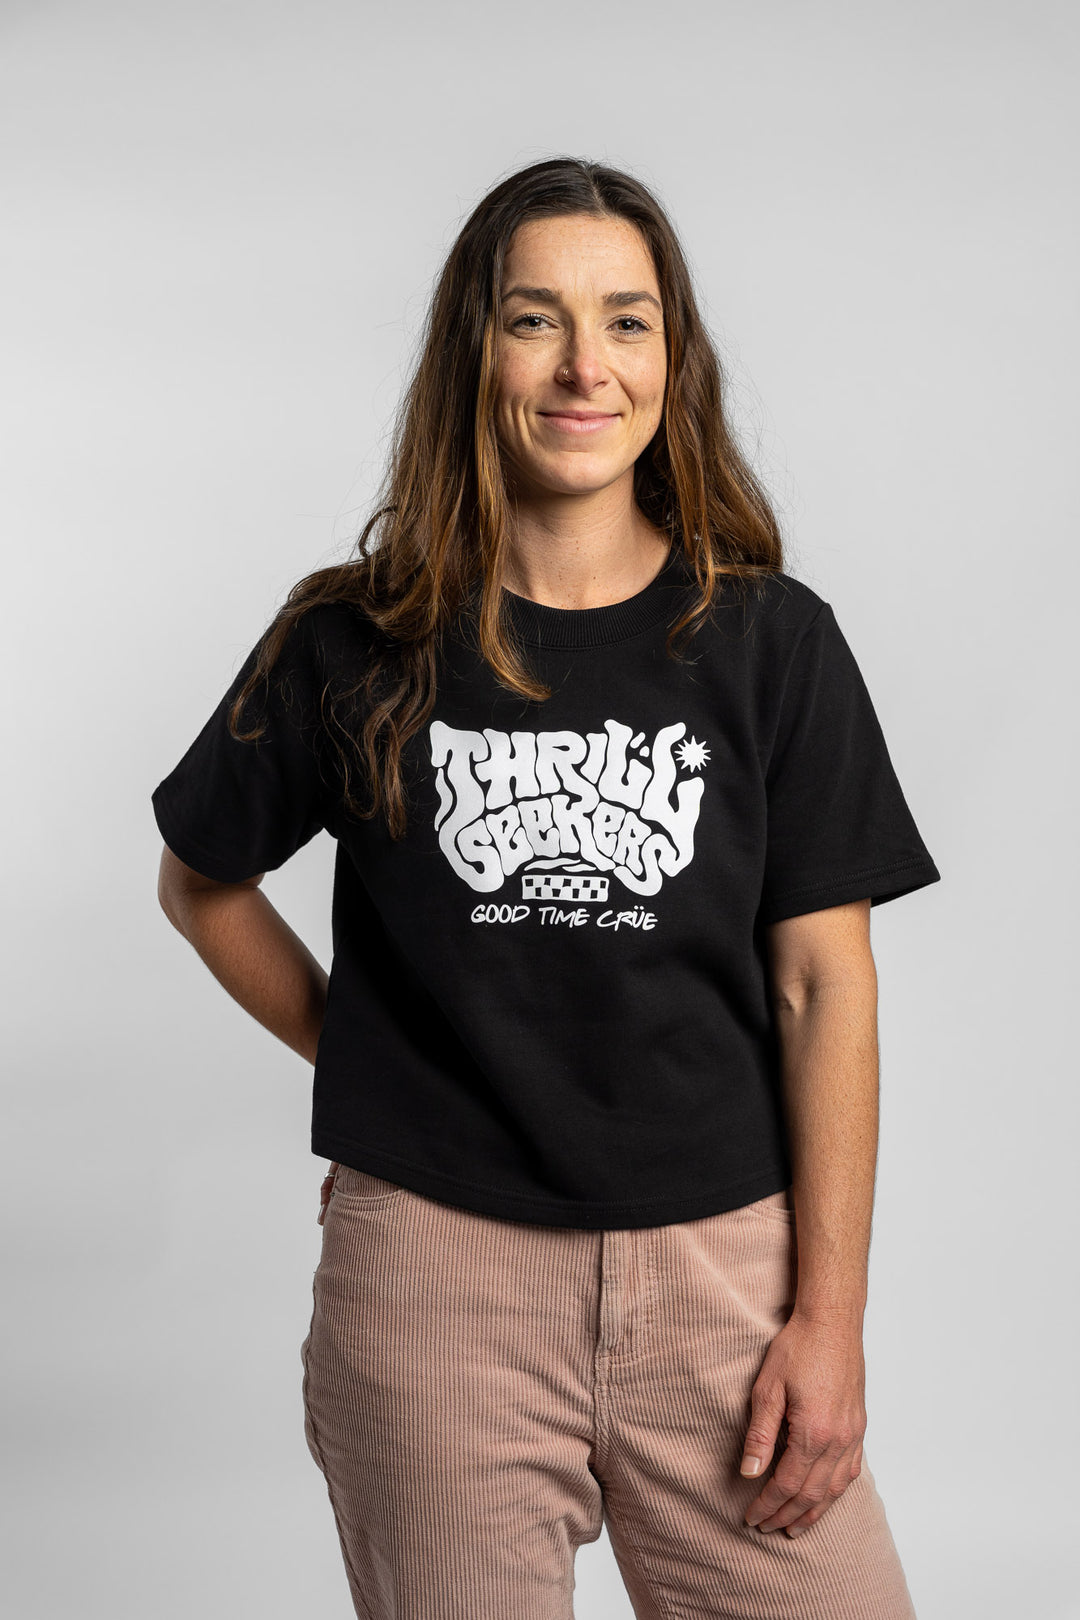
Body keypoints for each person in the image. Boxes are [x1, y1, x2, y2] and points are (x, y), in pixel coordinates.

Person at [152, 156, 940, 1620]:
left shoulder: (772, 644)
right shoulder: (354, 641)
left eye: (627, 322)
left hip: (728, 1280)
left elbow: (826, 984)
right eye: (537, 319)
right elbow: (201, 884)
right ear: (477, 350)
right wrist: (367, 1048)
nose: (586, 364)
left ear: (671, 360)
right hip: (435, 1278)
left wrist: (831, 1321)